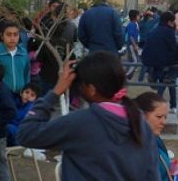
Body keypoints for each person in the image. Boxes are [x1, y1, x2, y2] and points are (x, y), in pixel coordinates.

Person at [17, 51, 159, 180]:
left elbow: (26, 133)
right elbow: (152, 176)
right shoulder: (140, 124)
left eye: (80, 84)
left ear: (91, 89)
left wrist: (55, 92)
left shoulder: (81, 123)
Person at [0, 21, 30, 99]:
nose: (12, 38)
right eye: (9, 34)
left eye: (15, 34)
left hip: (19, 97)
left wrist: (26, 92)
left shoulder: (23, 53)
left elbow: (26, 74)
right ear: (2, 36)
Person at [142, 11, 178, 109]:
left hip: (149, 60)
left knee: (168, 81)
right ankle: (163, 104)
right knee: (168, 78)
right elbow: (173, 48)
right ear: (169, 22)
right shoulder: (169, 32)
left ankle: (153, 75)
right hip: (162, 62)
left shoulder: (154, 29)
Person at [135, 92, 171, 181]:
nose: (164, 122)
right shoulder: (132, 145)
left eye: (165, 117)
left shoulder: (155, 139)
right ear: (141, 115)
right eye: (159, 117)